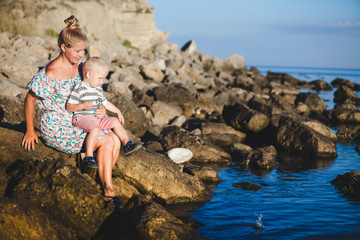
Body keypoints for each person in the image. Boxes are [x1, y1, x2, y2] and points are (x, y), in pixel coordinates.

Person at [21, 15, 122, 206]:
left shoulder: (82, 67)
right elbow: (29, 100)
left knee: (115, 138)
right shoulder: (50, 73)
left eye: (83, 50)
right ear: (63, 48)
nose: (81, 55)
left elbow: (91, 91)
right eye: (77, 51)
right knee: (109, 139)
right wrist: (30, 130)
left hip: (80, 119)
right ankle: (108, 189)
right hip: (58, 126)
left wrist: (100, 109)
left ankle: (101, 180)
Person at [66, 56, 141, 168]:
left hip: (96, 119)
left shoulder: (98, 90)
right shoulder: (79, 88)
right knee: (95, 129)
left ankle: (127, 144)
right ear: (89, 75)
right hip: (82, 118)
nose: (102, 82)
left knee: (115, 121)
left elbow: (105, 103)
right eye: (100, 78)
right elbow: (69, 107)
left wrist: (118, 111)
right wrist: (81, 105)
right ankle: (89, 157)